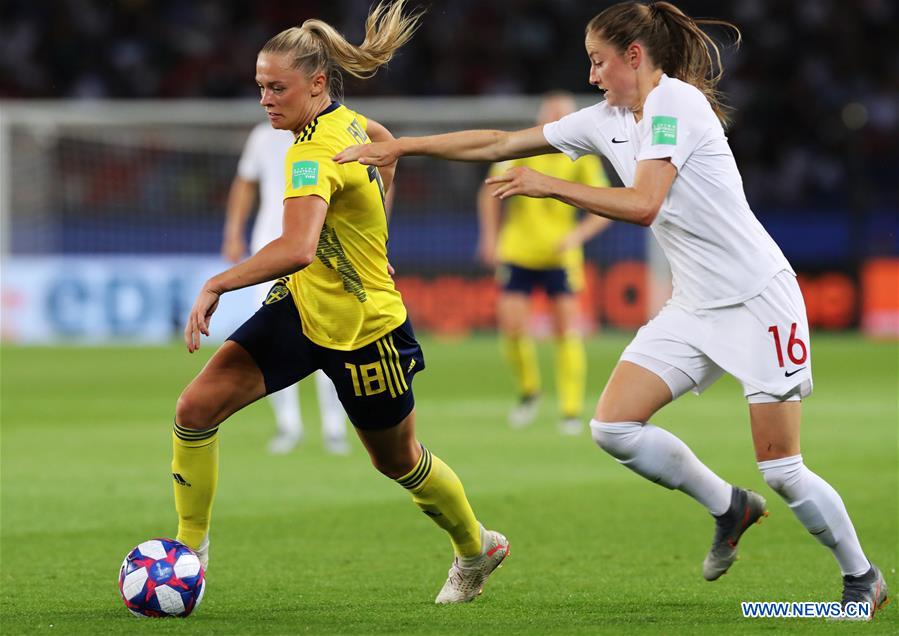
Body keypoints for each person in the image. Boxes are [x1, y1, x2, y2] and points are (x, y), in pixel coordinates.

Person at [336, 1, 888, 618]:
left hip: (759, 300)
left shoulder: (676, 104)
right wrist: (402, 148)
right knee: (614, 428)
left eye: (599, 62)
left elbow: (645, 203)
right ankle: (729, 506)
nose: (592, 75)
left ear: (634, 55)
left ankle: (861, 577)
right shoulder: (607, 119)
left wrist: (550, 184)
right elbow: (500, 142)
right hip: (695, 305)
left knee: (782, 469)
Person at [173, 0, 509, 604]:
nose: (265, 99)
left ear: (317, 83)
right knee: (196, 409)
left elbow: (297, 247)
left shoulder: (311, 153)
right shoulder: (350, 124)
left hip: (365, 328)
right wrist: (375, 233)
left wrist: (218, 282)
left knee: (398, 461)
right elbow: (384, 144)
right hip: (303, 310)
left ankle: (475, 547)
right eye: (260, 87)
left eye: (277, 88)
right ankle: (189, 554)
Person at [476, 91, 611, 435]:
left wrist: (576, 236)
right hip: (517, 251)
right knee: (512, 326)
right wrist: (490, 237)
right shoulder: (523, 148)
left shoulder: (581, 155)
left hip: (559, 256)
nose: (556, 118)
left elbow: (604, 205)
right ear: (540, 117)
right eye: (551, 112)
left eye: (562, 114)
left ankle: (570, 410)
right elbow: (488, 191)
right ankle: (529, 392)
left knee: (566, 329)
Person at [222, 123, 350, 455]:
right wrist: (233, 232)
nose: (269, 100)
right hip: (269, 250)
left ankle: (335, 427)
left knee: (332, 337)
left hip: (324, 248)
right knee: (270, 339)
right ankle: (288, 424)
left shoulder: (336, 131)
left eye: (277, 94)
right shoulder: (263, 136)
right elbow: (245, 182)